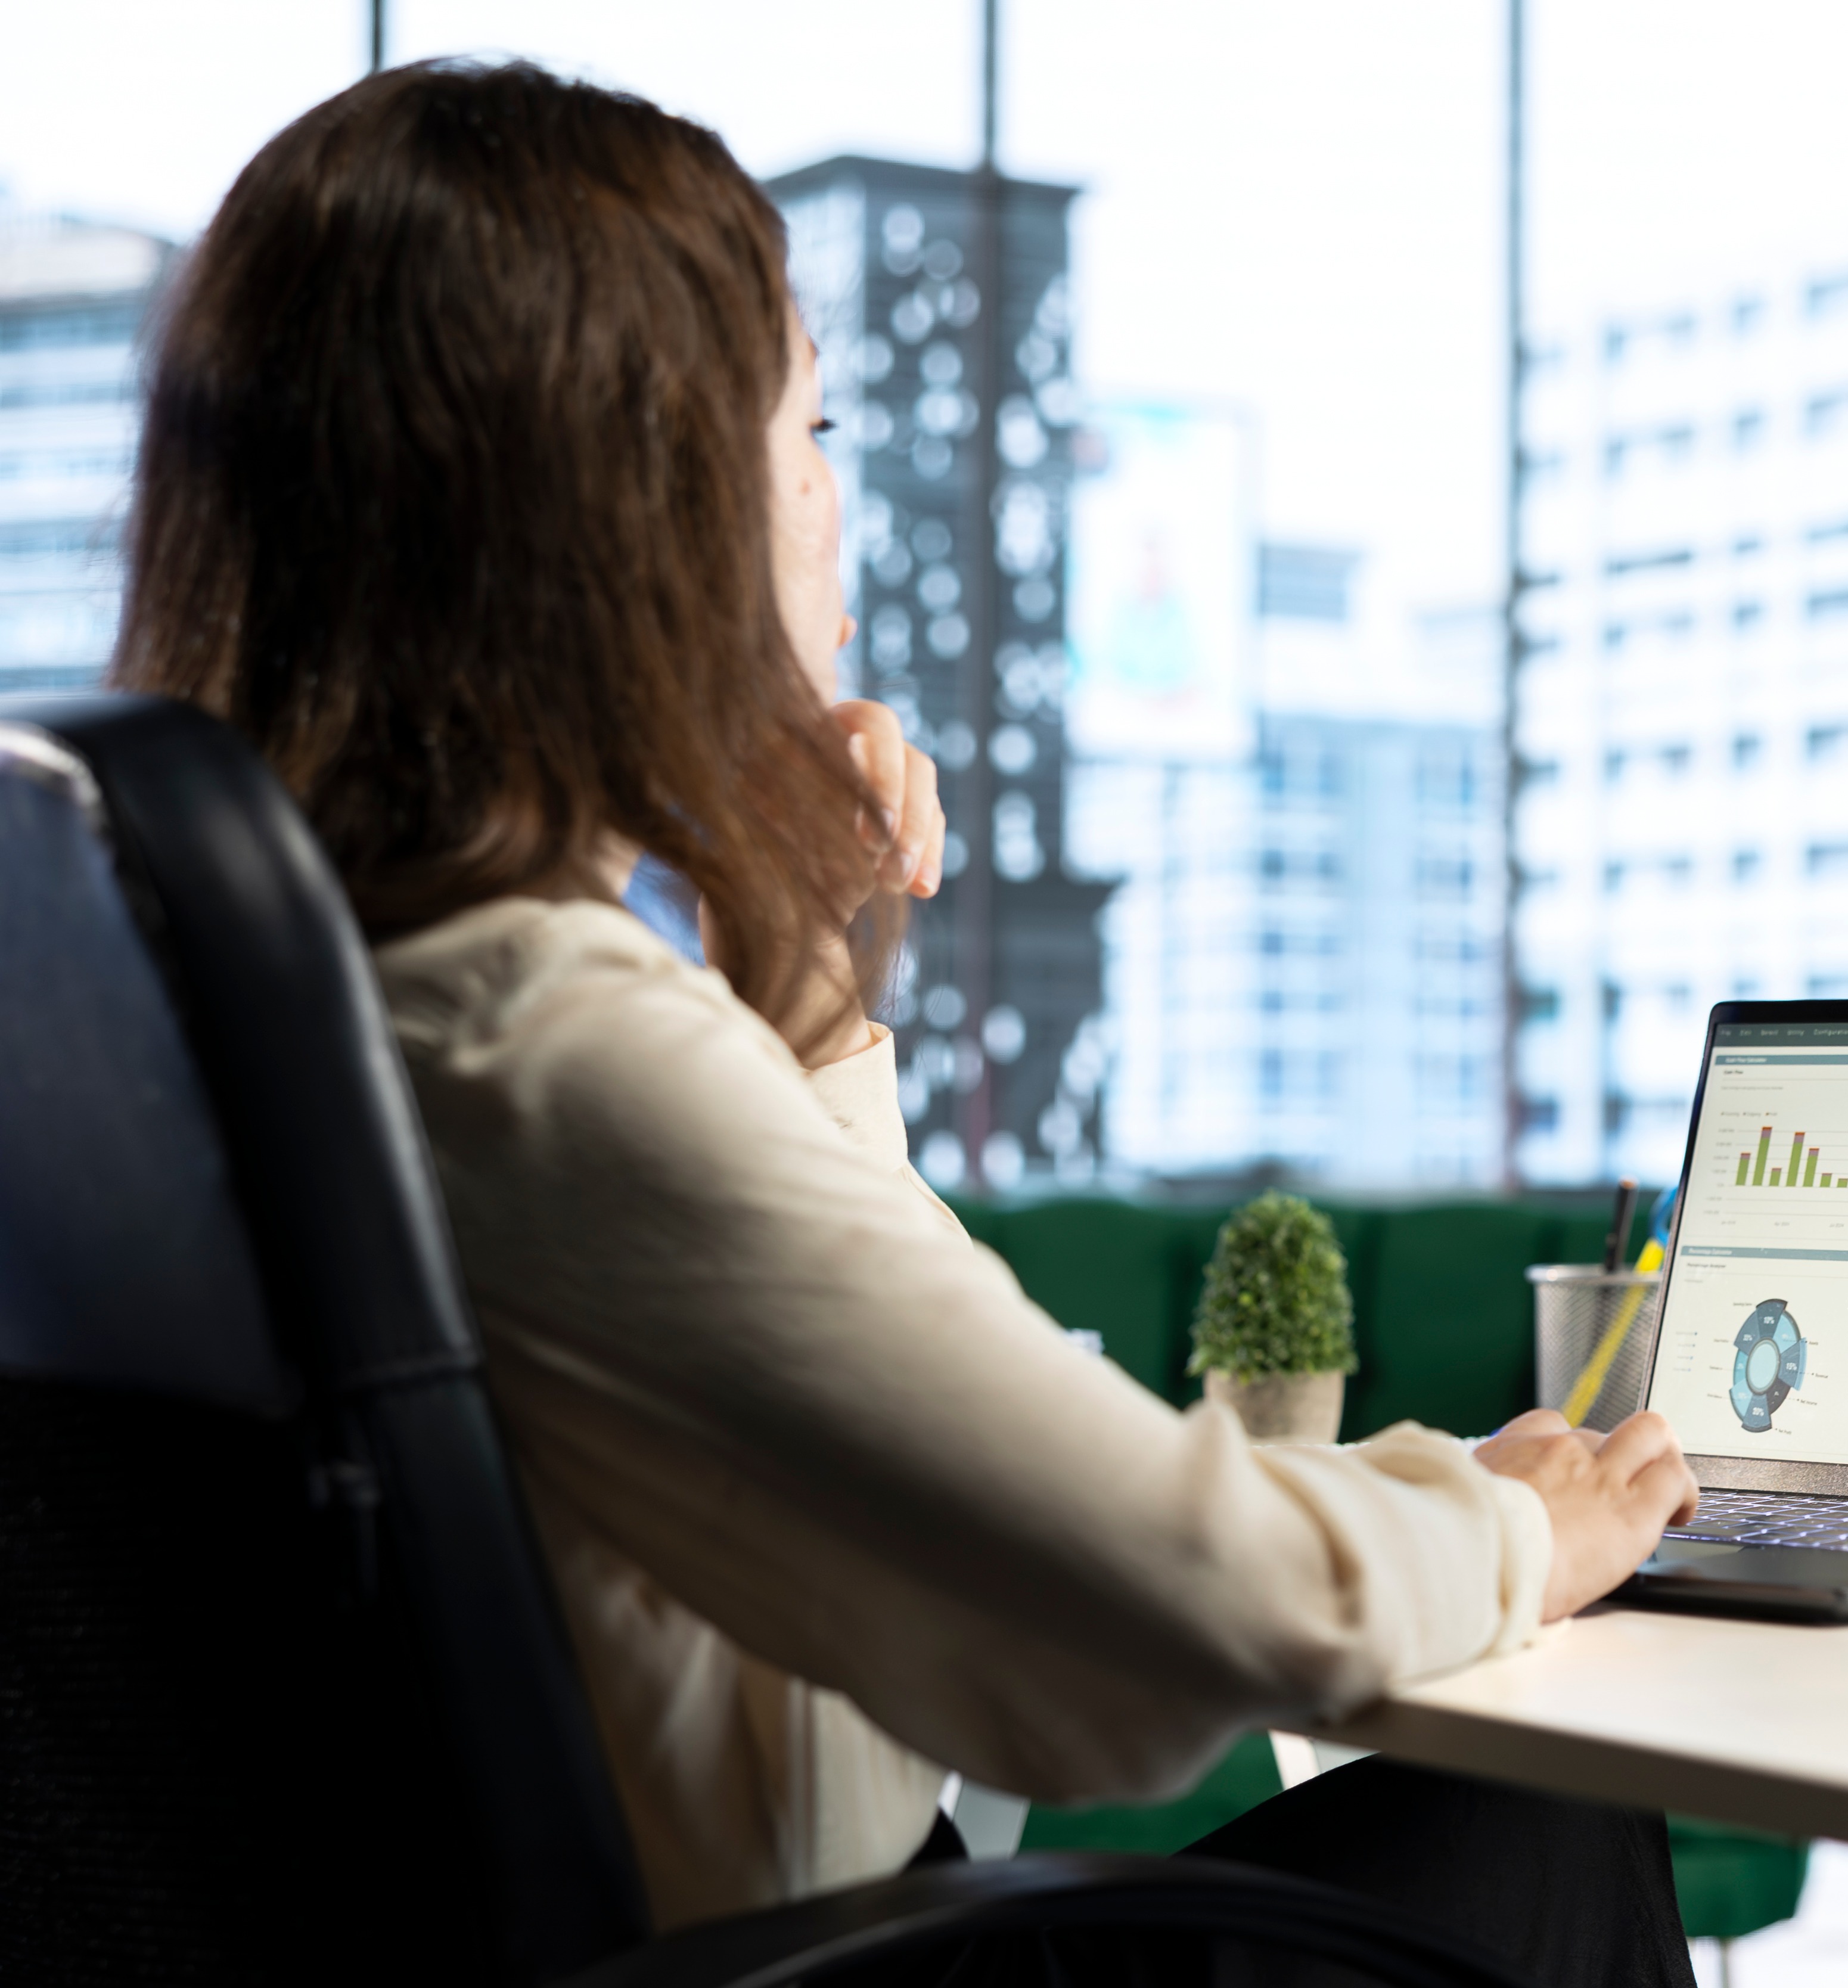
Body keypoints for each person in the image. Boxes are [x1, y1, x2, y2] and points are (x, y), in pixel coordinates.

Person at [113, 60, 1700, 1986]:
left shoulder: (266, 1007)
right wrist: (1513, 1526)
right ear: (646, 506)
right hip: (822, 1968)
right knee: (1549, 1824)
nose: (831, 502)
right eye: (811, 425)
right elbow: (1143, 1629)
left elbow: (944, 1475)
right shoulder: (546, 1039)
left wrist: (801, 997)